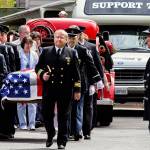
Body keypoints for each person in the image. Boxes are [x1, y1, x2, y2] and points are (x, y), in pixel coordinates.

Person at [35, 29, 81, 149]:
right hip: (49, 89)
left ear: (66, 40)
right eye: (57, 37)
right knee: (46, 114)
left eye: (61, 37)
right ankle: (50, 133)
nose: (59, 39)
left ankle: (62, 141)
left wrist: (77, 90)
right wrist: (42, 74)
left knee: (63, 116)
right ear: (54, 38)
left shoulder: (71, 52)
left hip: (65, 89)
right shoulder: (46, 51)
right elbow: (38, 67)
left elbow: (76, 74)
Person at [65, 25, 102, 141]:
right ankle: (69, 131)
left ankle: (76, 132)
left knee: (78, 109)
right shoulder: (62, 50)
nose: (71, 40)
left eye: (74, 37)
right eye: (69, 37)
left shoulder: (83, 50)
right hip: (65, 85)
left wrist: (97, 81)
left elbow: (92, 66)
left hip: (80, 85)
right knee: (67, 110)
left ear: (78, 38)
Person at [78, 26, 104, 138]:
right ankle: (76, 130)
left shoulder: (91, 47)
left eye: (79, 33)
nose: (77, 36)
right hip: (77, 81)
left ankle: (87, 131)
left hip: (89, 82)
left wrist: (99, 81)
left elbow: (97, 66)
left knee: (88, 107)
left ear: (82, 34)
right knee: (77, 107)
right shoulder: (71, 47)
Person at [17, 36, 38, 130]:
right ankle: (22, 124)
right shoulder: (18, 54)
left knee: (32, 102)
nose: (28, 45)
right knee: (21, 103)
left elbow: (37, 67)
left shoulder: (34, 54)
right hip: (21, 80)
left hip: (32, 80)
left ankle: (32, 123)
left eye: (30, 43)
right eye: (26, 43)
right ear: (23, 44)